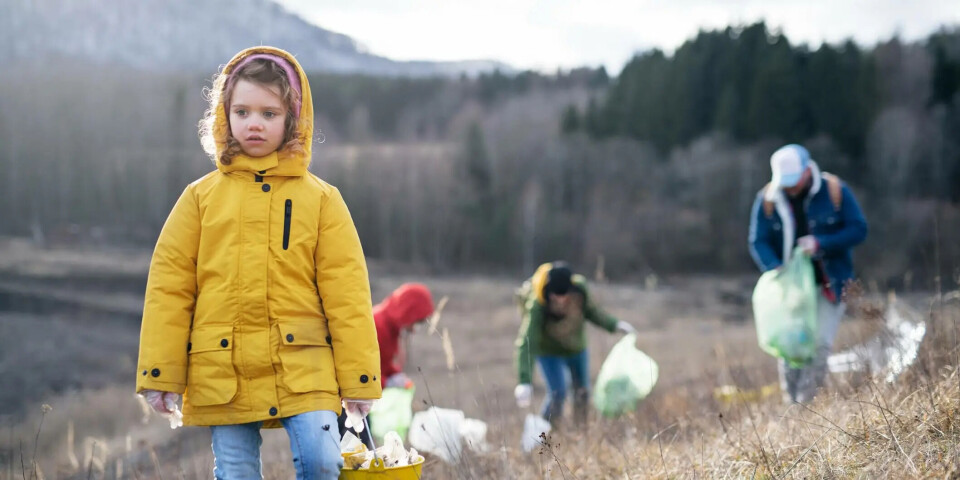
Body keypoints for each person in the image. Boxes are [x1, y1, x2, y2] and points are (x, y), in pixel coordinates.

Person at [135, 46, 381, 480]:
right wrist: (160, 373)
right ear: (224, 115)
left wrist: (359, 379)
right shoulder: (198, 199)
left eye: (269, 113)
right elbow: (169, 289)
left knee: (323, 461)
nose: (254, 123)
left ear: (292, 119)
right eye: (242, 111)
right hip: (223, 368)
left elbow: (348, 295)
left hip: (304, 365)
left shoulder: (322, 200)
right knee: (235, 473)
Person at [748, 144, 867, 404]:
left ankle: (807, 406)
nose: (790, 188)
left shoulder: (835, 191)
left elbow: (859, 229)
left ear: (806, 170)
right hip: (791, 290)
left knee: (820, 345)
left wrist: (821, 243)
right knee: (790, 347)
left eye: (794, 181)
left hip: (830, 284)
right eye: (785, 183)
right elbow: (758, 240)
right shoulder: (767, 199)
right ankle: (791, 405)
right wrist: (774, 266)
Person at [514, 261, 636, 424]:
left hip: (576, 350)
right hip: (549, 353)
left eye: (564, 295)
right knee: (558, 393)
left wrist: (614, 325)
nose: (560, 300)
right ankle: (545, 432)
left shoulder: (580, 291)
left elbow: (592, 312)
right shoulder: (537, 304)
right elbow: (527, 341)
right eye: (556, 296)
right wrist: (524, 380)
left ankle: (580, 430)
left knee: (582, 393)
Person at [338, 283, 435, 446]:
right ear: (408, 312)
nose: (416, 328)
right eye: (417, 321)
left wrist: (394, 374)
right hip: (349, 400)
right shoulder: (376, 325)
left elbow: (381, 363)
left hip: (361, 396)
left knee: (360, 446)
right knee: (356, 447)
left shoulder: (391, 328)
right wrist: (386, 381)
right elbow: (359, 370)